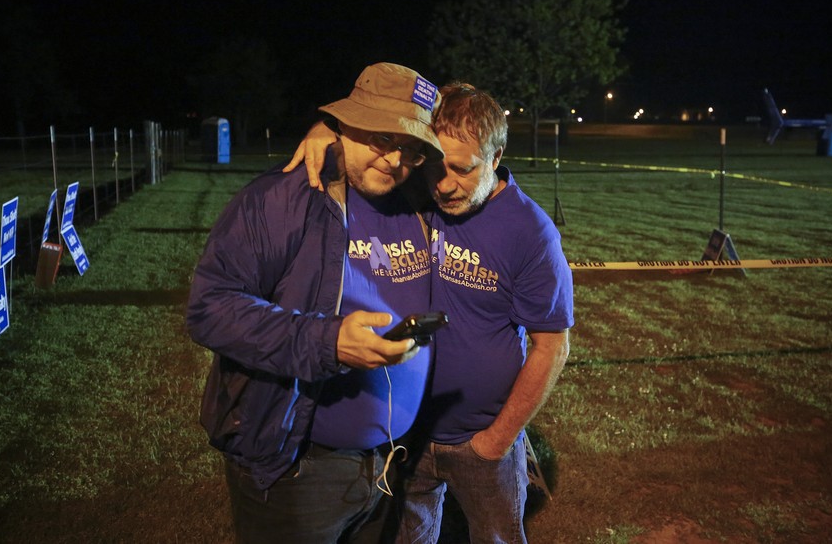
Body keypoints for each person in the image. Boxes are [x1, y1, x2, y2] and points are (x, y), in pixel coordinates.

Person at [287, 83, 573, 544]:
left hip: (483, 441)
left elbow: (552, 346)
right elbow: (382, 130)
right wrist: (327, 130)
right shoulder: (421, 195)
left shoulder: (531, 232)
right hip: (409, 432)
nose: (444, 184)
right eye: (436, 166)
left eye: (463, 169)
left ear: (496, 158)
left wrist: (497, 440)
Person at [186, 62, 445, 544]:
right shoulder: (282, 198)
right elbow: (209, 307)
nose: (394, 161)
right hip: (299, 472)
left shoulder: (418, 201)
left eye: (410, 148)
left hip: (391, 466)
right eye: (382, 139)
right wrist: (327, 343)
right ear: (346, 122)